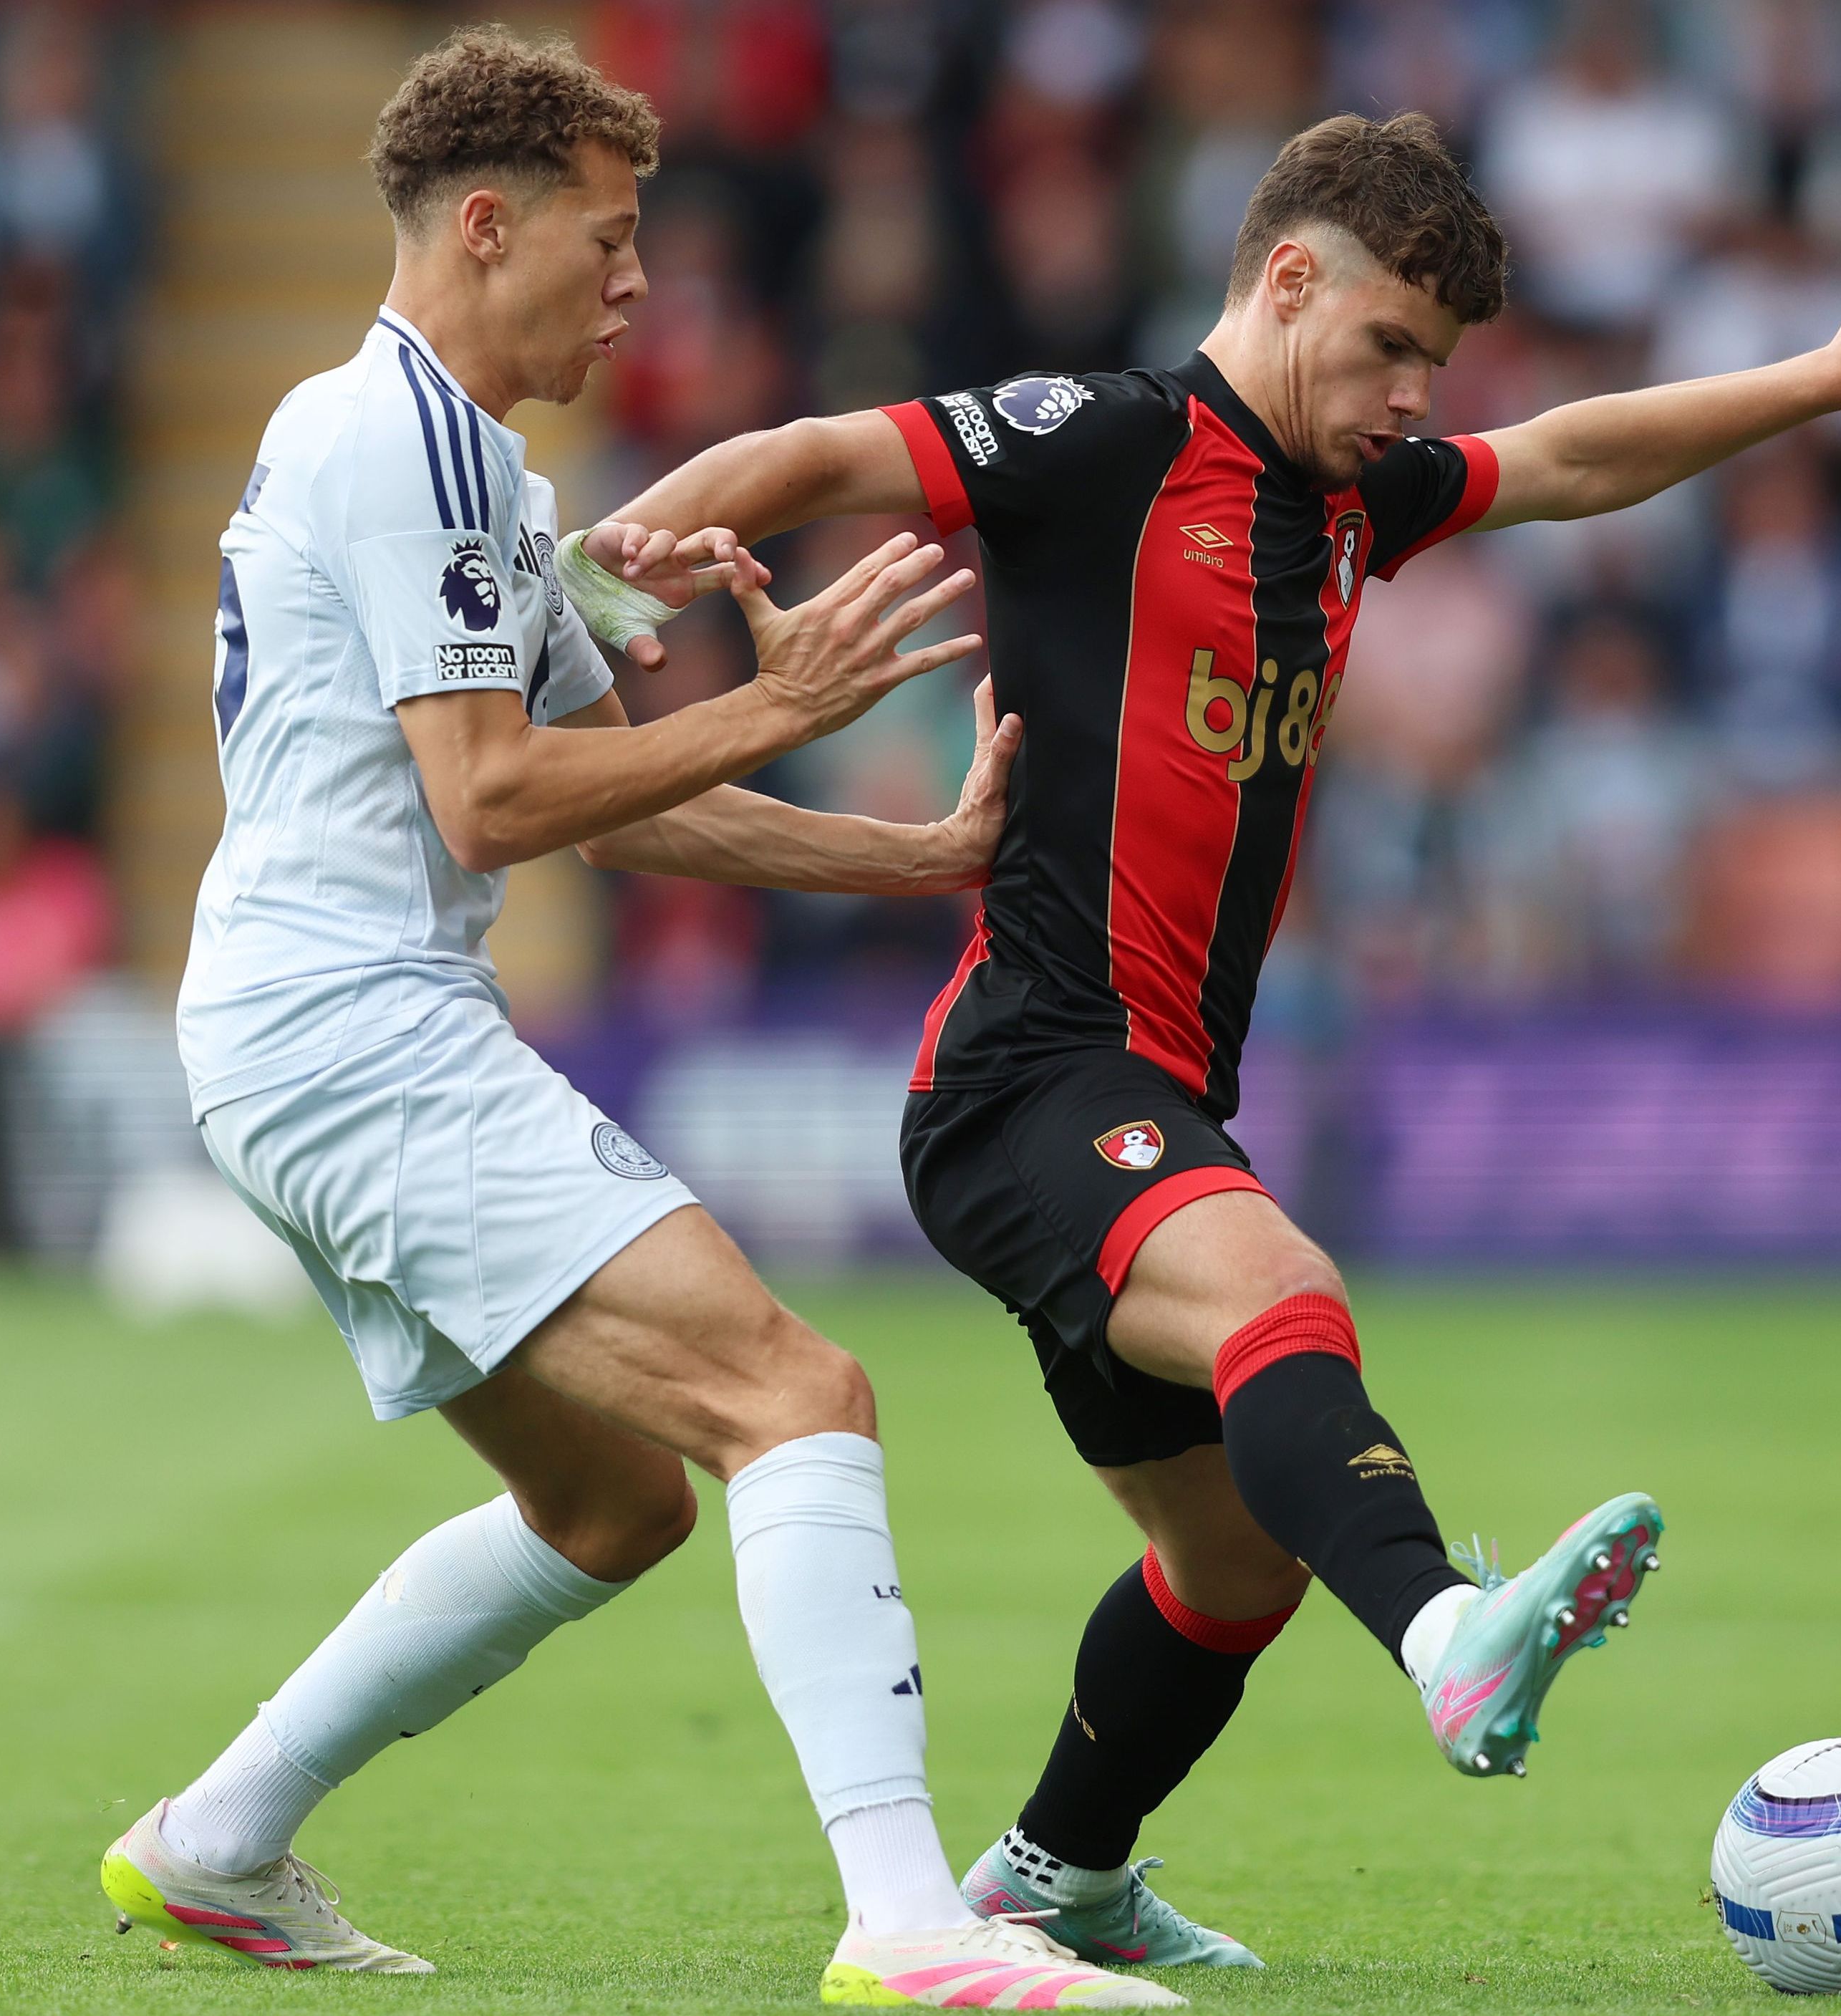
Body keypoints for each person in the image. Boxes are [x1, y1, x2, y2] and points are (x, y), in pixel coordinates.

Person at [581, 112, 1841, 1969]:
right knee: (1279, 1289)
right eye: (1388, 346)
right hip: (1032, 1068)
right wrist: (611, 578)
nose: (1414, 394)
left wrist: (1826, 374)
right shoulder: (1103, 444)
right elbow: (816, 450)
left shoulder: (1356, 500)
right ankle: (1443, 1636)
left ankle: (1057, 1877)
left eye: (1435, 362)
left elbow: (1576, 456)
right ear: (1282, 281)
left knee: (1230, 1567)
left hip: (1155, 1089)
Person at [105, 30, 1176, 2007]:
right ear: (485, 226)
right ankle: (914, 1931)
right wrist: (778, 701)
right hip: (353, 1028)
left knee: (608, 1505)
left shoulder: (470, 467)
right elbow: (491, 801)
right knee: (799, 1396)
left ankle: (218, 1842)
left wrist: (909, 856)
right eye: (604, 243)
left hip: (310, 1025)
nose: (633, 286)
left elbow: (630, 796)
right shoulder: (402, 441)